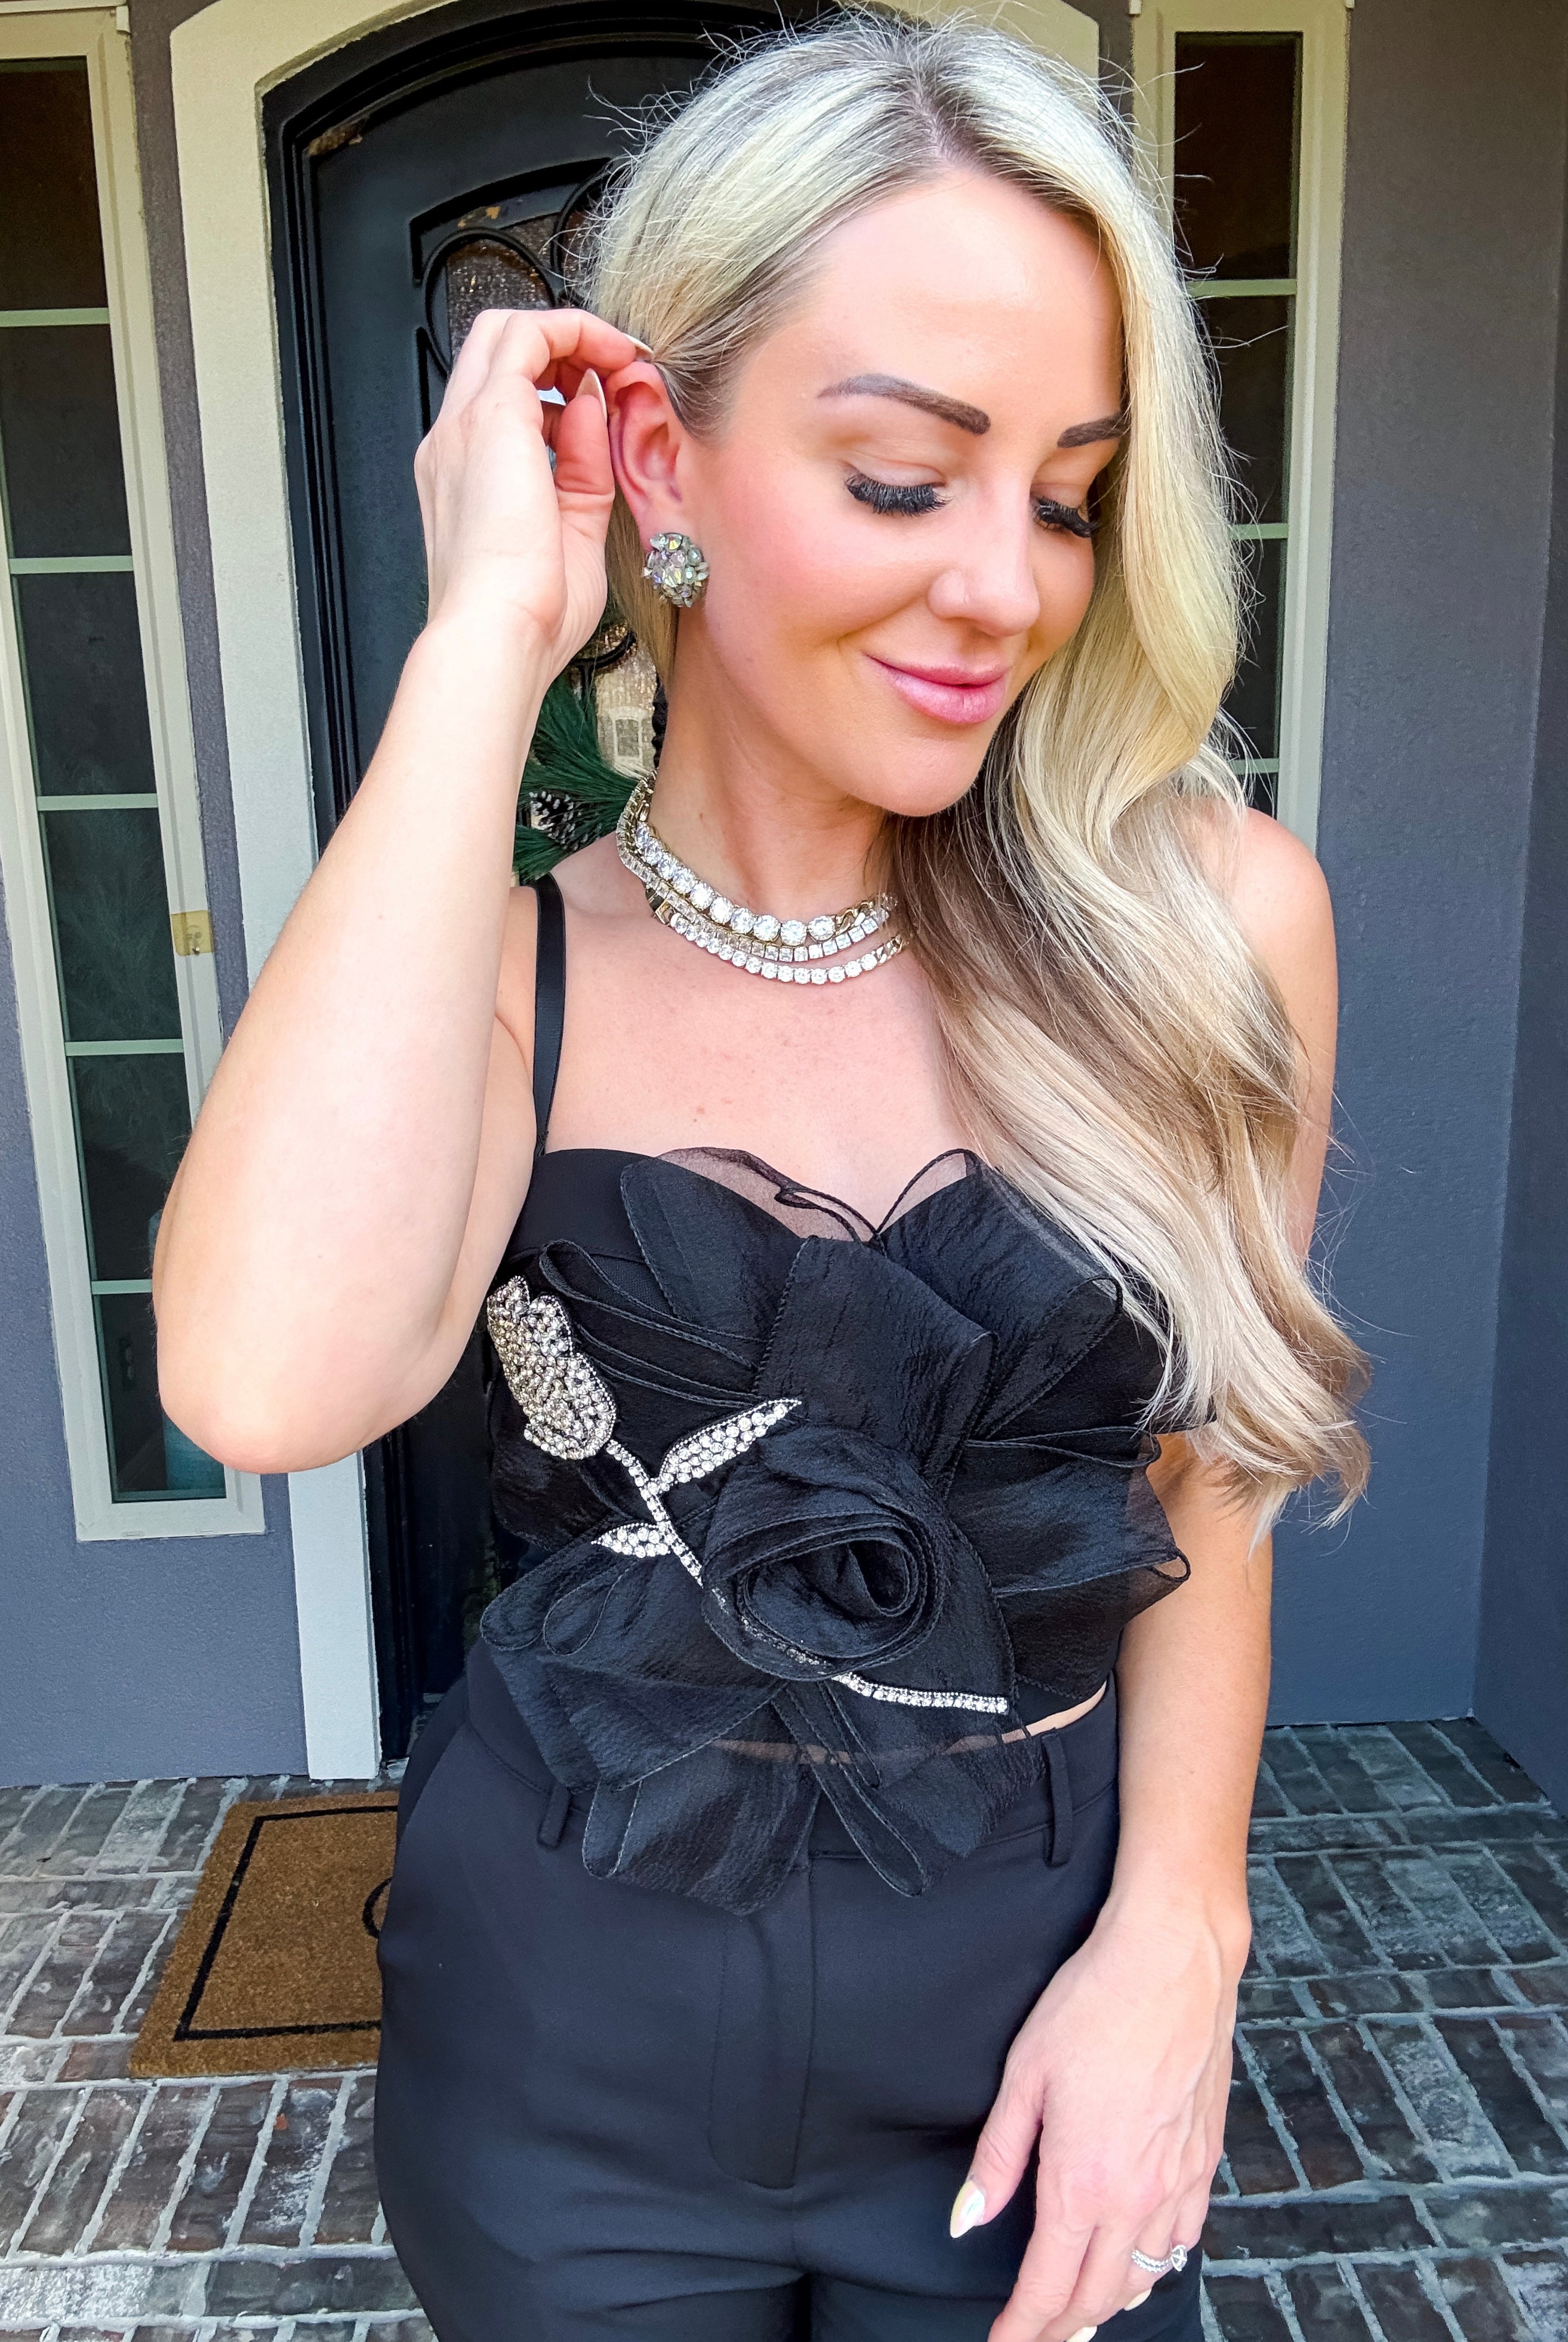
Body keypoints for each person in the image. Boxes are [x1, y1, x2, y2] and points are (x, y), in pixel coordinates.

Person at [153, 16, 1367, 2340]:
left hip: (1035, 2017)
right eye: (906, 479)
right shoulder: (502, 964)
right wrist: (490, 635)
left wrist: (1181, 1942)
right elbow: (261, 1378)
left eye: (1070, 493)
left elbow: (1202, 1489)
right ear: (661, 461)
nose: (1008, 586)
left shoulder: (1215, 926)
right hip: (564, 2051)